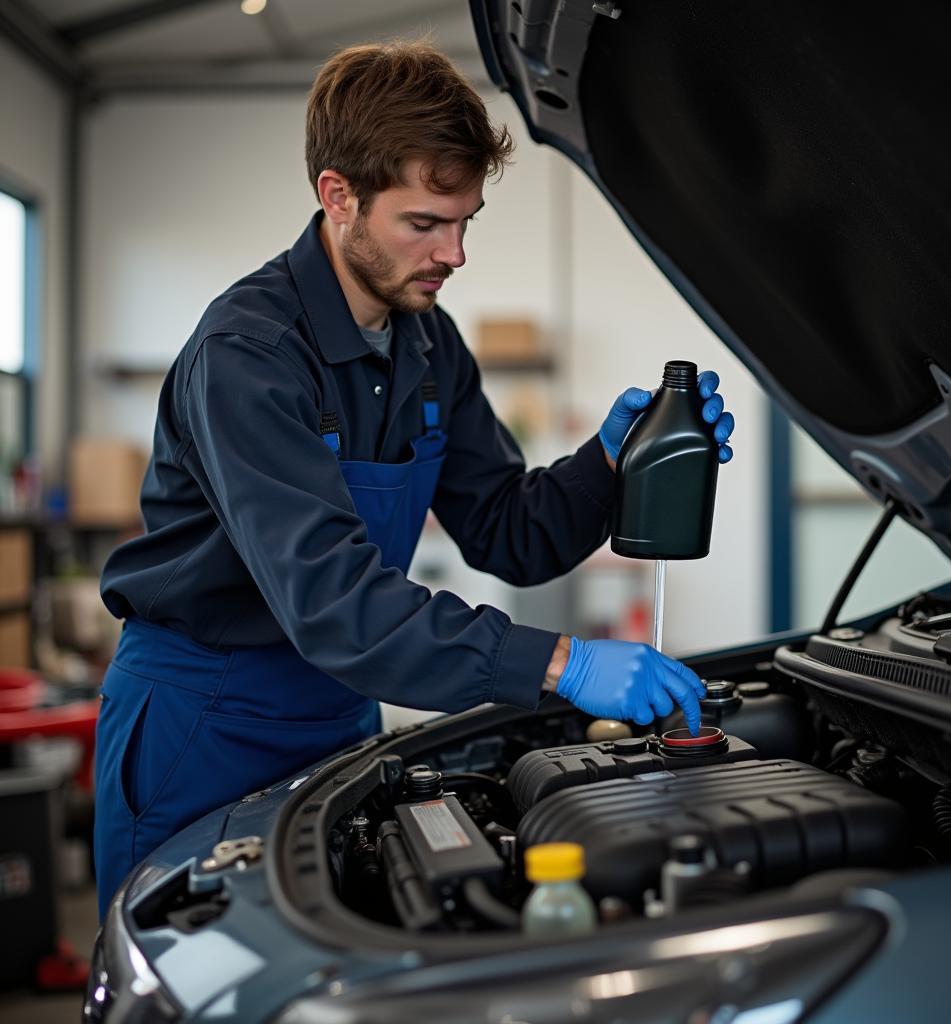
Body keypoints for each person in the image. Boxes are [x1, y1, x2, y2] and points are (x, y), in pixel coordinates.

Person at [92, 40, 735, 915]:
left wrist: (611, 465)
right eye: (425, 223)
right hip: (204, 722)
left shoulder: (429, 343)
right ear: (338, 196)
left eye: (465, 220)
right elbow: (336, 602)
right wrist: (559, 661)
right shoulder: (249, 355)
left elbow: (509, 528)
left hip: (339, 712)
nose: (454, 253)